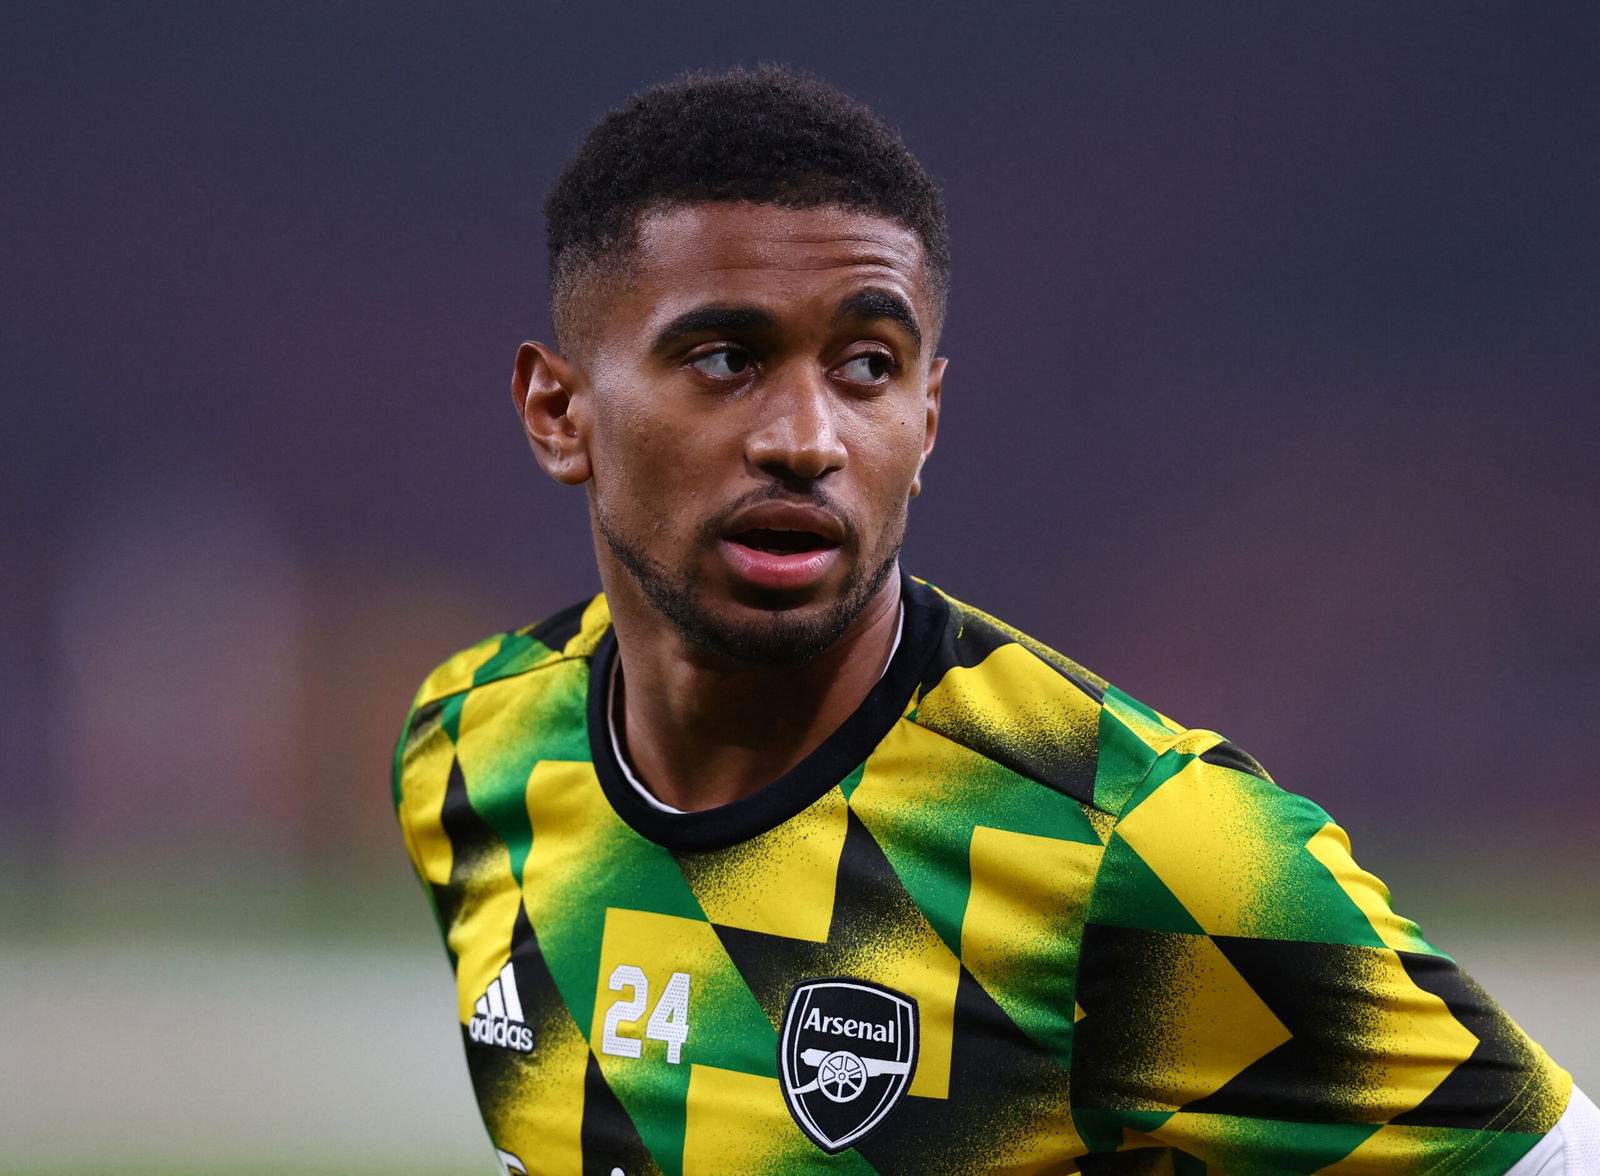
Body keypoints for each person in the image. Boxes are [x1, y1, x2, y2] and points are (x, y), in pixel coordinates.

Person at [392, 66, 1594, 1175]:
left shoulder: (1137, 843)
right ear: (559, 412)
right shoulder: (470, 745)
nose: (807, 439)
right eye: (723, 358)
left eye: (867, 366)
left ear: (926, 418)